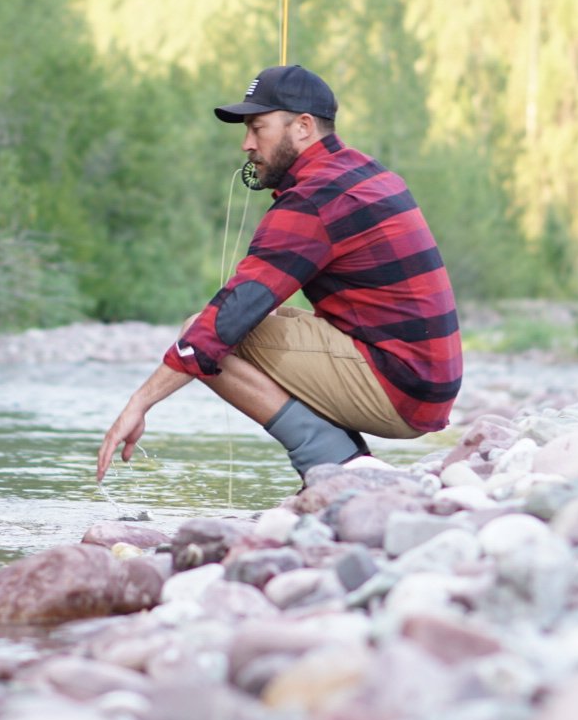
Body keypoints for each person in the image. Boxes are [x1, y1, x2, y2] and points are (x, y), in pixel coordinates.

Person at [95, 64, 462, 484]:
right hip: (425, 381)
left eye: (257, 128)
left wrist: (140, 403)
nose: (246, 144)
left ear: (303, 126)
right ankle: (350, 461)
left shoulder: (314, 199)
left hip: (402, 393)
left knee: (204, 331)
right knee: (264, 322)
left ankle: (335, 464)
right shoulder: (364, 173)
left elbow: (228, 318)